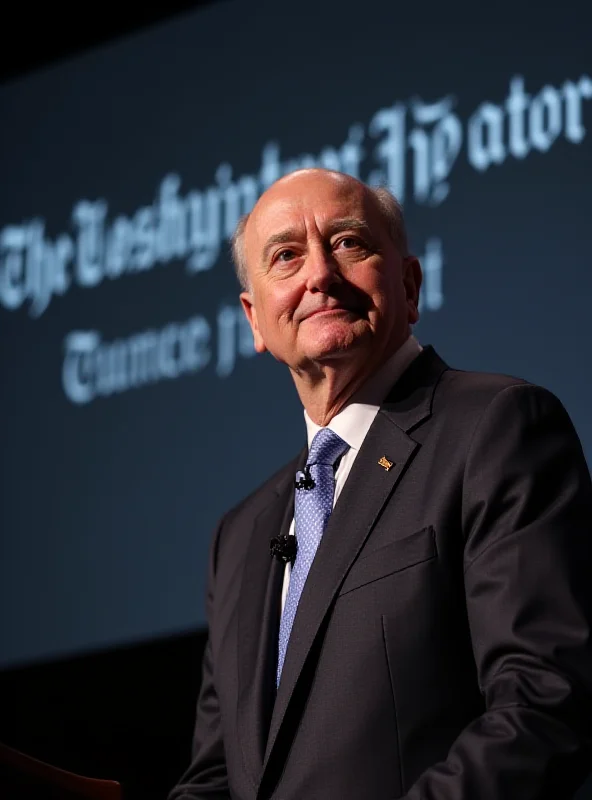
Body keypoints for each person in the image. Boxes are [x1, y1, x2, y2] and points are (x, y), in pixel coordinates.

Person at [169, 169, 592, 800]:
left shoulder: (497, 426)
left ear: (410, 284)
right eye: (286, 256)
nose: (319, 275)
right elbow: (213, 778)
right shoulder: (241, 535)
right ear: (255, 320)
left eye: (347, 243)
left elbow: (544, 700)